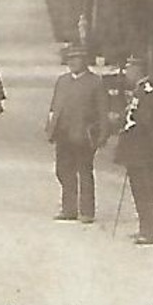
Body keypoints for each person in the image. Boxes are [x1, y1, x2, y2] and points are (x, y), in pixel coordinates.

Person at [45, 45, 108, 223]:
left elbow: (103, 111)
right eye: (70, 59)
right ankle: (68, 208)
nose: (73, 62)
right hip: (63, 134)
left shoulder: (95, 82)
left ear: (85, 61)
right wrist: (50, 128)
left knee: (84, 172)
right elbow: (54, 107)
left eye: (77, 59)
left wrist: (102, 134)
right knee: (63, 171)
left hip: (84, 135)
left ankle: (87, 211)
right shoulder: (62, 81)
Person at [115, 55, 153, 246]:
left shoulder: (147, 90)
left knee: (143, 188)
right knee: (139, 188)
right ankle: (150, 226)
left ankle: (148, 230)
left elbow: (146, 119)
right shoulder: (138, 90)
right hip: (136, 147)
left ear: (138, 70)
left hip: (142, 147)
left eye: (130, 69)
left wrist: (130, 126)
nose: (127, 73)